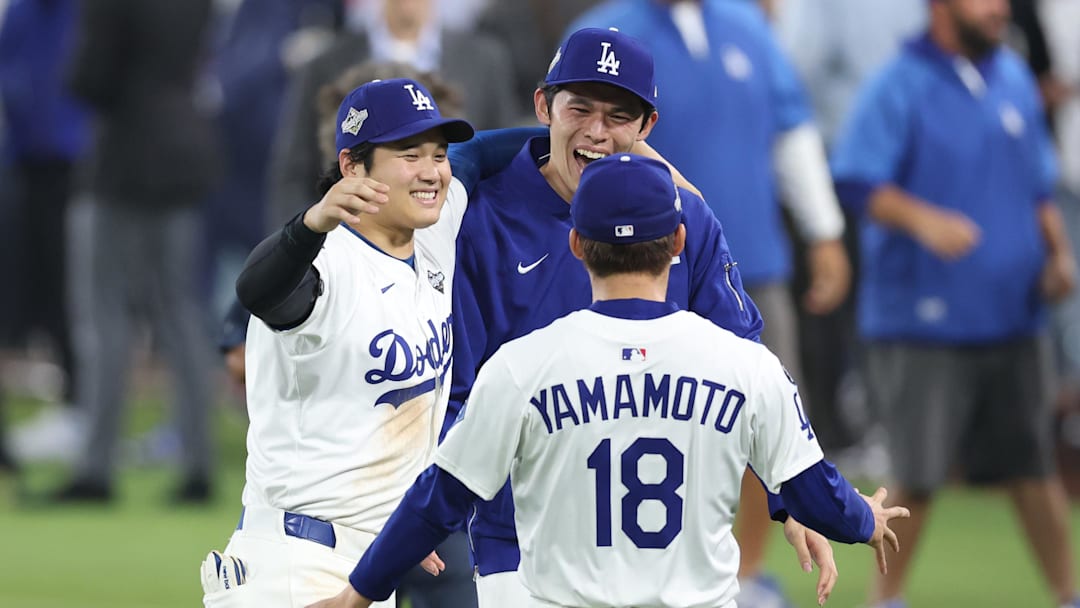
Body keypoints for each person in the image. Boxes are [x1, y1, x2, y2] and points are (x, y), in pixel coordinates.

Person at [307, 153, 910, 608]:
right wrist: (863, 518)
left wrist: (358, 592)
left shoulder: (520, 367)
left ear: (576, 244)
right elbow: (811, 490)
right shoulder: (748, 366)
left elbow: (437, 499)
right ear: (678, 242)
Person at [430, 26, 838, 607]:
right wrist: (434, 508)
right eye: (581, 108)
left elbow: (752, 370)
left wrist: (789, 497)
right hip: (524, 556)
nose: (597, 131)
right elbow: (454, 395)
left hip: (674, 565)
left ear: (647, 127)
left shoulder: (685, 217)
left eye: (619, 115)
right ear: (544, 105)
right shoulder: (480, 219)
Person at [564, 4, 853, 602]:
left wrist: (824, 229)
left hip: (755, 259)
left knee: (762, 419)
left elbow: (791, 126)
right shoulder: (609, 26)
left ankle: (745, 578)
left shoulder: (747, 26)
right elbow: (562, 141)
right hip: (634, 266)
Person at [830, 1, 1080, 607]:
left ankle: (1068, 595)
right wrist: (924, 220)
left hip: (1011, 314)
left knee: (1034, 470)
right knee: (917, 473)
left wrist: (1058, 252)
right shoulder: (898, 83)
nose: (999, 9)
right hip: (923, 318)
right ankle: (884, 601)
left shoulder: (1014, 76)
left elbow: (1038, 182)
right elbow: (857, 179)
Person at [200, 77, 474, 608]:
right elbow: (256, 290)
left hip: (368, 569)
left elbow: (487, 154)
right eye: (409, 153)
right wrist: (309, 224)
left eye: (439, 154)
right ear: (353, 167)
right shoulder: (323, 263)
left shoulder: (435, 234)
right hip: (292, 564)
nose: (432, 171)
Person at [52, 0, 220, 503]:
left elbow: (88, 79)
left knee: (104, 315)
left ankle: (96, 467)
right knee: (180, 313)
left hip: (121, 162)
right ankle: (198, 464)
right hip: (182, 153)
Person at [267, 0, 518, 229]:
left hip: (454, 246)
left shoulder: (485, 60)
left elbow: (500, 165)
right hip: (345, 247)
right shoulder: (325, 64)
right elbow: (293, 174)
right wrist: (305, 247)